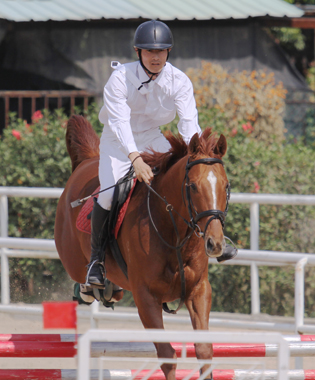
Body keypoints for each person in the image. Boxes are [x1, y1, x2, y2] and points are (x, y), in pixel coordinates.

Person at [86, 19, 235, 287]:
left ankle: (213, 238)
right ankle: (96, 261)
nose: (156, 57)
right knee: (110, 193)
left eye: (161, 51)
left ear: (168, 52)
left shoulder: (179, 81)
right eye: (149, 52)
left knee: (190, 180)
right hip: (118, 142)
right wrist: (135, 159)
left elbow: (189, 124)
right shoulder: (120, 78)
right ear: (138, 52)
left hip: (153, 137)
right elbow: (119, 123)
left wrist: (197, 156)